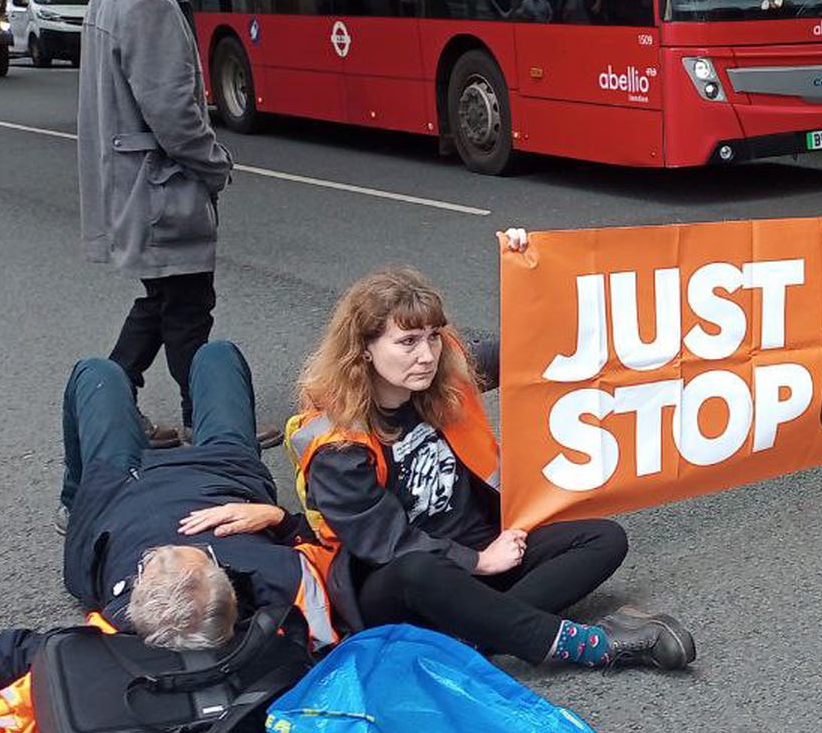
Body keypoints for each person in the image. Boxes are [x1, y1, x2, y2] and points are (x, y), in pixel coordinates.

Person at [292, 264, 695, 670]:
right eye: (408, 341)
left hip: (486, 551)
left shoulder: (444, 374)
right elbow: (387, 544)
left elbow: (525, 344)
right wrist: (480, 562)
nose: (427, 355)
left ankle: (475, 634)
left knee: (604, 537)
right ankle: (593, 646)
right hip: (406, 583)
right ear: (364, 348)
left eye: (433, 337)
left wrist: (535, 266)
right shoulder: (336, 444)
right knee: (415, 569)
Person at [78, 0, 265, 447]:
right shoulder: (149, 3)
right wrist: (215, 165)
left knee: (165, 302)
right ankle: (206, 423)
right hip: (160, 187)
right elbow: (174, 114)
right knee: (186, 307)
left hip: (134, 180)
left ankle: (116, 401)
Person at [58, 339, 338, 652]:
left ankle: (72, 500)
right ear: (231, 588)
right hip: (222, 475)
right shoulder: (278, 576)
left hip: (117, 489)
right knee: (217, 354)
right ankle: (194, 423)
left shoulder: (113, 626)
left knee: (98, 372)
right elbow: (338, 564)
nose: (164, 552)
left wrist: (82, 507)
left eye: (146, 566)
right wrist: (283, 522)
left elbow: (39, 657)